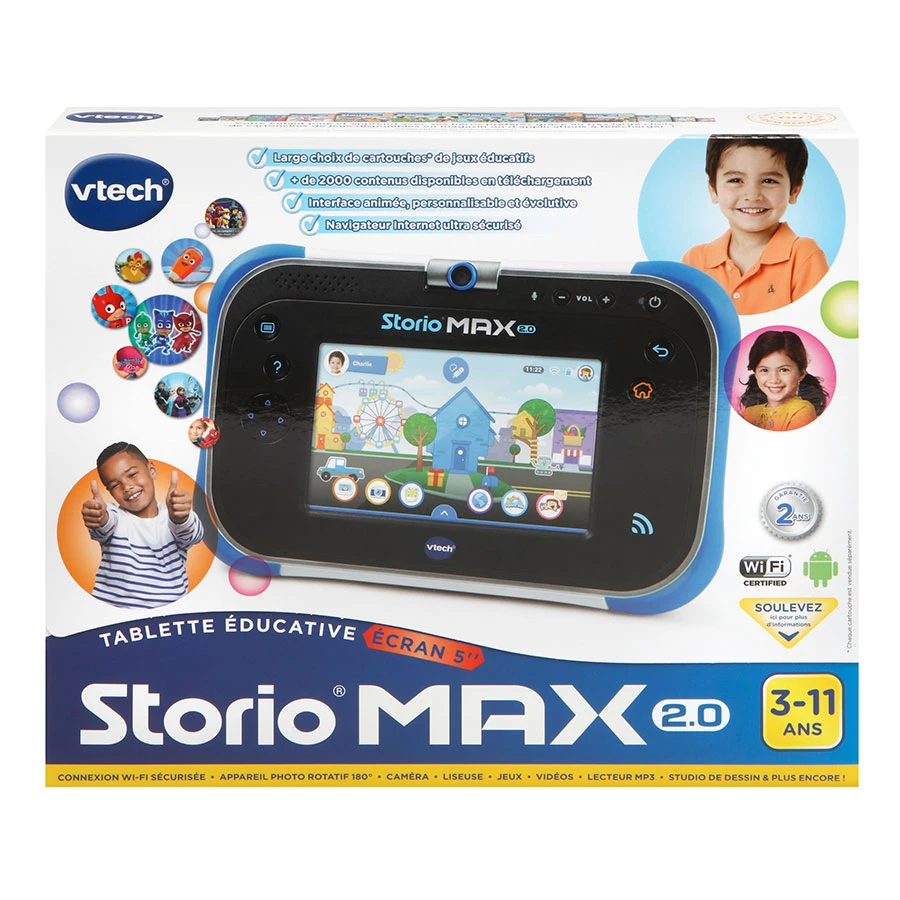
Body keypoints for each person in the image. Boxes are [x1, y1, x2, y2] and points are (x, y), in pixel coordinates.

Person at [682, 136, 829, 315]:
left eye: (769, 181)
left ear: (794, 190)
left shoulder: (804, 256)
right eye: (735, 180)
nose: (752, 195)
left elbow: (811, 325)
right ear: (713, 189)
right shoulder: (695, 260)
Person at [81, 442, 204, 608]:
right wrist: (98, 516)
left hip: (169, 615)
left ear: (151, 470)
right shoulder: (114, 516)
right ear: (109, 492)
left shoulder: (174, 518)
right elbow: (104, 525)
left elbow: (193, 535)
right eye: (115, 485)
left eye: (132, 474)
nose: (127, 487)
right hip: (111, 615)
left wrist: (180, 518)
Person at [739, 331, 828, 431]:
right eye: (764, 370)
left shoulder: (802, 410)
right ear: (756, 374)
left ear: (801, 373)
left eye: (783, 370)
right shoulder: (749, 413)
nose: (774, 380)